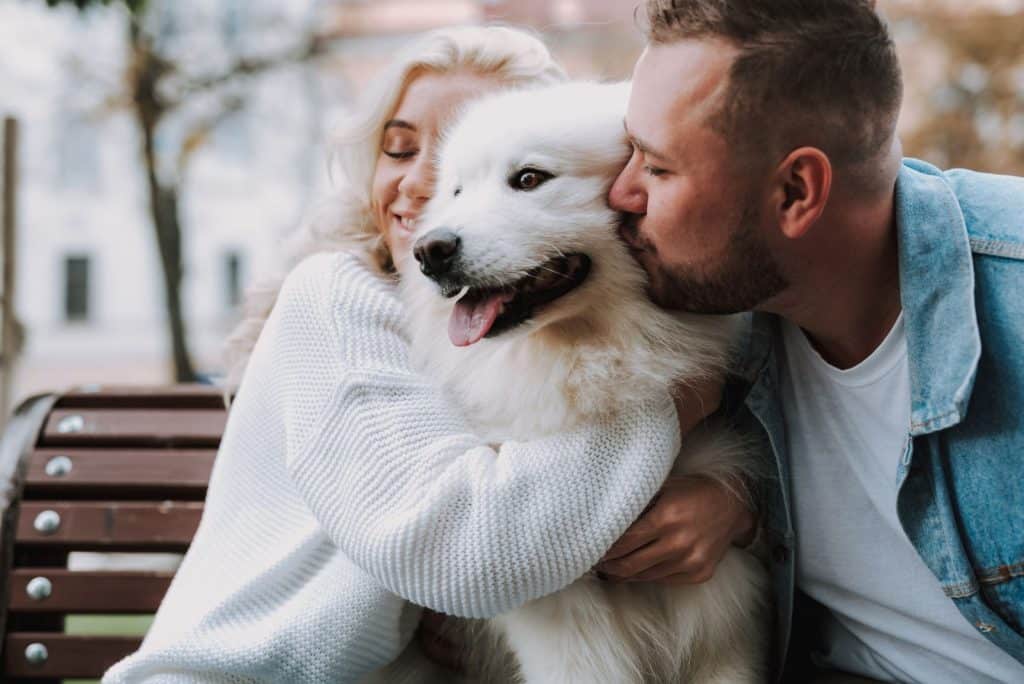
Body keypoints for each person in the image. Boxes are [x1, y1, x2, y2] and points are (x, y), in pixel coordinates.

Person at [102, 25, 752, 683]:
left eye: (474, 163)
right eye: (400, 148)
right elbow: (467, 555)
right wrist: (679, 407)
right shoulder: (337, 298)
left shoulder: (501, 316)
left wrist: (735, 507)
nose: (424, 187)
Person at [601, 0, 1024, 682]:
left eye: (657, 168)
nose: (618, 195)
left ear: (797, 192)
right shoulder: (713, 326)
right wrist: (742, 509)